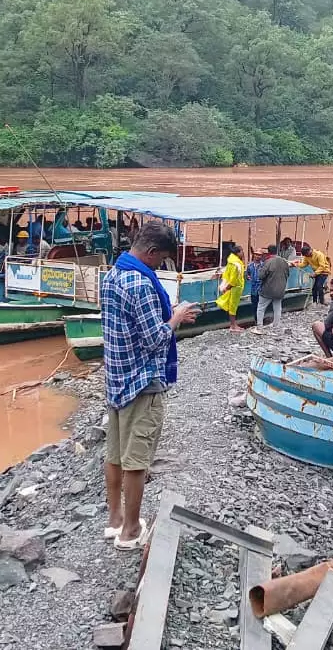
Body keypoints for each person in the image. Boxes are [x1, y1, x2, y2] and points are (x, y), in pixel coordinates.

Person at [101, 221, 198, 549]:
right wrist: (177, 317)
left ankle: (114, 519)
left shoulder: (113, 274)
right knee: (136, 461)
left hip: (115, 378)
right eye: (161, 260)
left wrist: (166, 315)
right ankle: (130, 532)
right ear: (151, 252)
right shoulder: (141, 283)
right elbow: (155, 338)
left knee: (114, 454)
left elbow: (131, 325)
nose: (160, 265)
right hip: (141, 381)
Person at [257, 244, 290, 331]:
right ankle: (276, 325)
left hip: (267, 290)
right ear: (277, 251)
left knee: (261, 307)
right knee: (277, 308)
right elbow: (288, 274)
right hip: (280, 290)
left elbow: (261, 276)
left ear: (268, 251)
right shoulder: (284, 262)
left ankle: (259, 326)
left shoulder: (268, 262)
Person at [216, 244, 246, 333]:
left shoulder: (233, 261)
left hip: (234, 287)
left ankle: (234, 325)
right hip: (234, 287)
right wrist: (228, 287)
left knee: (232, 306)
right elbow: (233, 278)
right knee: (233, 306)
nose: (243, 253)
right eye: (242, 251)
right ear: (238, 253)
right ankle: (233, 326)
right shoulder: (235, 264)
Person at [245, 249, 263, 325]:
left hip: (261, 288)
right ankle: (256, 320)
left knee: (261, 306)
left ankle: (260, 321)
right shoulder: (250, 266)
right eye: (256, 254)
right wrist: (248, 277)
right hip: (253, 289)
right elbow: (247, 275)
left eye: (259, 255)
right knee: (254, 305)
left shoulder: (264, 265)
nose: (257, 256)